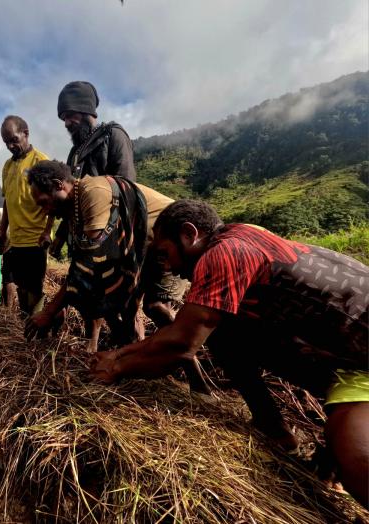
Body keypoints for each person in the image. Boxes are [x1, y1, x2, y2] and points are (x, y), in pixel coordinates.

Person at [90, 199, 369, 508]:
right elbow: (187, 327)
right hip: (344, 349)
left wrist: (116, 368)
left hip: (362, 353)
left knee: (357, 457)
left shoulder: (224, 253)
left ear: (189, 234)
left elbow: (181, 345)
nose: (169, 267)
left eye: (164, 253)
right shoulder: (242, 234)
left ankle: (334, 450)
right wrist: (121, 353)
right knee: (224, 331)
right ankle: (275, 430)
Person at [24, 160, 184, 349]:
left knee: (156, 307)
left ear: (59, 185)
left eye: (44, 202)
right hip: (143, 252)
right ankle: (133, 347)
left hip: (176, 240)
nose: (45, 210)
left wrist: (49, 312)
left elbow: (91, 263)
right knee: (119, 305)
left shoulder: (93, 193)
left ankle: (186, 350)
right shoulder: (74, 209)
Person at [49, 80, 137, 261]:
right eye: (63, 118)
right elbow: (71, 198)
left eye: (70, 115)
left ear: (86, 110)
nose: (66, 123)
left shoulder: (113, 135)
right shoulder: (74, 152)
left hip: (108, 239)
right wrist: (61, 235)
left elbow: (126, 189)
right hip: (82, 240)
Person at [0, 115, 51, 314]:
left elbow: (54, 200)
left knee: (35, 287)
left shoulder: (41, 162)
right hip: (15, 239)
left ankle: (36, 330)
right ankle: (25, 322)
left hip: (35, 239)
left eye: (14, 140)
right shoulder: (7, 166)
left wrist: (47, 231)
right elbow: (8, 200)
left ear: (25, 134)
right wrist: (2, 231)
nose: (10, 146)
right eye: (6, 142)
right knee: (20, 285)